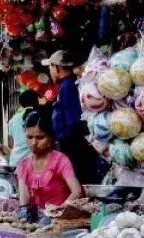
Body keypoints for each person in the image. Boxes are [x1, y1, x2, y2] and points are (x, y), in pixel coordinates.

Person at [42, 50, 106, 185]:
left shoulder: (68, 87)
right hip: (69, 142)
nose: (50, 71)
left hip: (71, 144)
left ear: (57, 68)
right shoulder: (66, 85)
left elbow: (73, 119)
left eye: (51, 67)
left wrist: (66, 141)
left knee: (76, 180)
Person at [16, 109, 82, 221]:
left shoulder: (60, 160)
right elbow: (24, 198)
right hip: (37, 220)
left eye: (40, 137)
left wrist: (58, 212)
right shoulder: (23, 164)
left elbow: (77, 192)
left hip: (60, 219)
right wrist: (23, 213)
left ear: (50, 137)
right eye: (29, 137)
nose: (34, 143)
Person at [8, 89, 40, 167]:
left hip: (15, 162)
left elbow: (11, 143)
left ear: (21, 104)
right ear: (37, 102)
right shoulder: (39, 117)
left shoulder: (14, 118)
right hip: (33, 163)